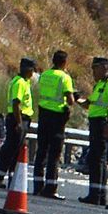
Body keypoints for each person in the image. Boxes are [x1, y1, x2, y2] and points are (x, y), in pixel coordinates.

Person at [77, 57, 108, 205]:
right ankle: (96, 193)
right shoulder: (99, 85)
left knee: (99, 158)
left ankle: (98, 194)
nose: (93, 72)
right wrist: (77, 99)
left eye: (95, 68)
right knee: (95, 158)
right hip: (95, 123)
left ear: (103, 68)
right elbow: (89, 105)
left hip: (102, 123)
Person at [33, 50, 76, 200]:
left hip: (44, 114)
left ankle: (37, 186)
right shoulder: (65, 78)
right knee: (54, 155)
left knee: (41, 152)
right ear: (64, 62)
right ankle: (50, 188)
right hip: (57, 118)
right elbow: (70, 100)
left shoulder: (44, 75)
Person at [0, 58, 36, 189]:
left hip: (20, 118)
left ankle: (12, 179)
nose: (33, 73)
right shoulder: (20, 83)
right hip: (18, 118)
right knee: (11, 150)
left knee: (15, 150)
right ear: (28, 70)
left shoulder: (23, 82)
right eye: (32, 70)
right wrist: (19, 123)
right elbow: (16, 103)